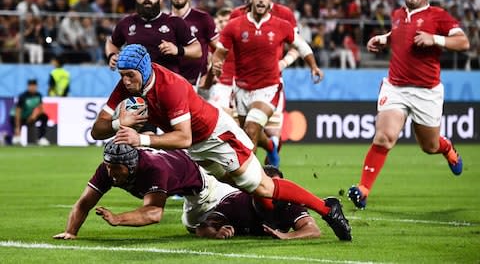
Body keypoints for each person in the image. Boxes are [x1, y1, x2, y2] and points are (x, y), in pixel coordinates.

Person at [91, 44, 351, 241]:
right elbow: (96, 130)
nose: (125, 81)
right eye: (122, 75)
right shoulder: (126, 86)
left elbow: (184, 137)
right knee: (242, 185)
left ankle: (327, 210)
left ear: (144, 70)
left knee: (260, 185)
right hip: (197, 147)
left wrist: (142, 138)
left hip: (215, 135)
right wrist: (118, 123)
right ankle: (277, 216)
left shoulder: (171, 86)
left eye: (129, 76)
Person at [348, 0, 470, 210]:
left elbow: (463, 42)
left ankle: (447, 148)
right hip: (396, 87)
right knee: (384, 136)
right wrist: (384, 39)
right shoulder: (397, 15)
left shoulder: (438, 15)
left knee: (429, 146)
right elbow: (399, 35)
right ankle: (363, 190)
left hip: (427, 91)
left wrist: (434, 39)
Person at [210, 0, 323, 167]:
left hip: (269, 86)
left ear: (271, 0)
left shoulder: (282, 22)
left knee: (251, 131)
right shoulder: (235, 22)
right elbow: (220, 51)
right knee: (247, 132)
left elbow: (301, 45)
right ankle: (270, 147)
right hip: (241, 87)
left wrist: (313, 66)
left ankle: (252, 185)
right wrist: (217, 64)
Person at [53, 141, 238, 239]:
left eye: (117, 169)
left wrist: (118, 219)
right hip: (183, 167)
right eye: (109, 166)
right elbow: (84, 203)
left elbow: (154, 213)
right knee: (193, 226)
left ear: (132, 165)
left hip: (204, 184)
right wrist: (71, 231)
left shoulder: (153, 169)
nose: (112, 173)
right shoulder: (107, 168)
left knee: (198, 228)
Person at [196, 165, 322, 240]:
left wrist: (287, 236)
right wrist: (216, 233)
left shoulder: (289, 202)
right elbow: (202, 227)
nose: (271, 192)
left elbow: (313, 230)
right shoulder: (236, 202)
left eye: (277, 188)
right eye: (267, 187)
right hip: (214, 195)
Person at [105, 0, 201, 73]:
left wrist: (178, 50)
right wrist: (112, 55)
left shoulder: (175, 22)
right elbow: (111, 42)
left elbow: (197, 50)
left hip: (168, 84)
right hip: (137, 86)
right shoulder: (126, 23)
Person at [168, 0, 219, 93]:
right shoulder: (164, 22)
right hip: (173, 85)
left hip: (199, 84)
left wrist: (210, 74)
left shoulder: (203, 18)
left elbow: (219, 49)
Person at [10, 79, 50, 146]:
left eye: (34, 86)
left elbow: (41, 109)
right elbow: (18, 112)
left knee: (44, 116)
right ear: (28, 86)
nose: (32, 88)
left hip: (29, 117)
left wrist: (33, 115)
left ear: (37, 86)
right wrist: (17, 127)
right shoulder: (23, 96)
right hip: (19, 117)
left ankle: (41, 138)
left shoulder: (38, 95)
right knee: (14, 120)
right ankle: (16, 136)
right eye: (31, 86)